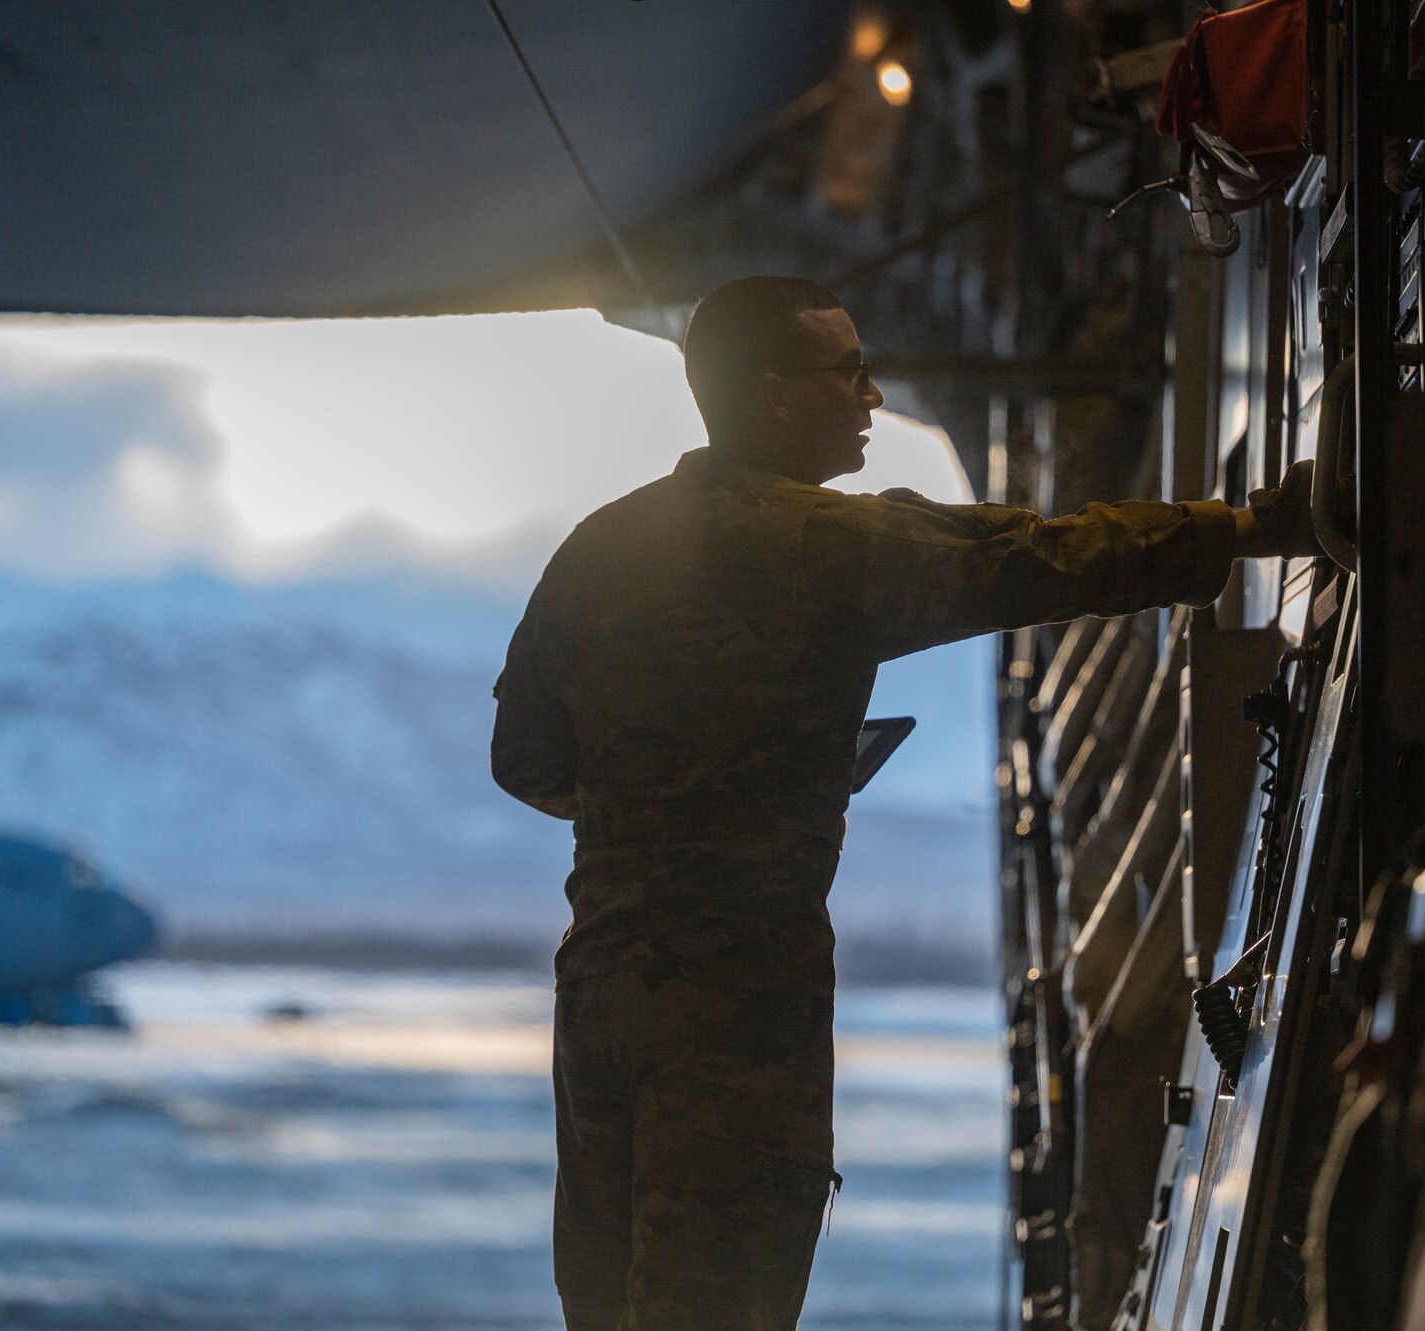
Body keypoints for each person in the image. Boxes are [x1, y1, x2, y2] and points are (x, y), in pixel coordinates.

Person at [490, 275, 1322, 1330]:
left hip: (601, 1001)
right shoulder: (827, 546)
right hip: (740, 1011)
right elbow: (1041, 559)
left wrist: (691, 781)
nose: (871, 395)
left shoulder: (598, 551)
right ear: (775, 395)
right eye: (847, 372)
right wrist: (1248, 524)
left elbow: (524, 757)